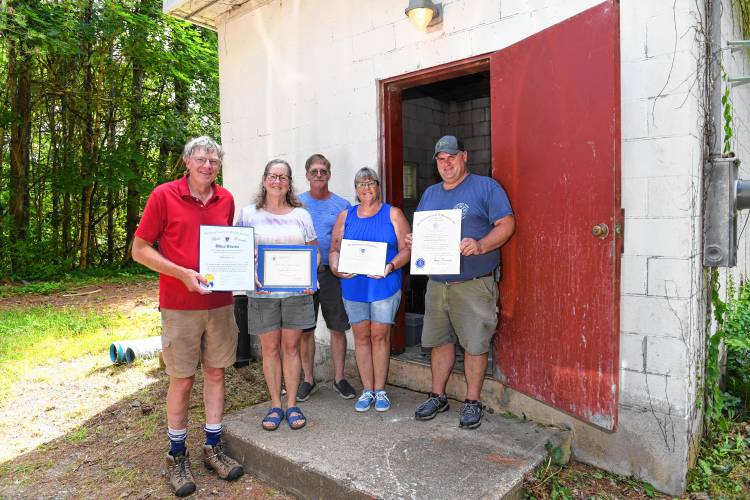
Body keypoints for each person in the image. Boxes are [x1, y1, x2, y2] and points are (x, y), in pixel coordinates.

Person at [132, 136, 244, 497]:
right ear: (186, 162)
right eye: (201, 159)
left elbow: (228, 246)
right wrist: (182, 273)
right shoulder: (163, 195)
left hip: (220, 304)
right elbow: (139, 250)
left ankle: (213, 446)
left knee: (215, 372)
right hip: (180, 306)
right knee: (181, 379)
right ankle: (176, 454)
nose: (207, 165)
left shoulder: (226, 199)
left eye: (214, 160)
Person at [411, 135, 515, 429]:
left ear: (464, 157)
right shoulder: (431, 193)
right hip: (437, 283)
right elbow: (428, 233)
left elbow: (507, 224)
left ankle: (472, 401)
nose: (446, 164)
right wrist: (416, 241)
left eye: (451, 157)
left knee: (474, 343)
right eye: (441, 159)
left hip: (473, 283)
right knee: (439, 341)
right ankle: (437, 395)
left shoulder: (486, 187)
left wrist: (481, 244)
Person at [235, 159, 318, 431]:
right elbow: (239, 253)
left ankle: (292, 404)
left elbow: (313, 253)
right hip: (261, 294)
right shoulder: (248, 214)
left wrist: (309, 276)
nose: (277, 181)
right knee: (270, 349)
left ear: (289, 182)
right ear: (264, 180)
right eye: (273, 176)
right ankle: (274, 404)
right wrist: (250, 273)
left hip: (296, 293)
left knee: (291, 348)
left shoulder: (301, 215)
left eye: (283, 177)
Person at [330, 167, 411, 412]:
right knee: (362, 337)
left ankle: (381, 390)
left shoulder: (393, 214)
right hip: (354, 285)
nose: (366, 187)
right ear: (355, 190)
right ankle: (367, 390)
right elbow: (334, 249)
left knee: (380, 336)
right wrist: (336, 268)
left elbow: (407, 248)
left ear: (378, 186)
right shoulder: (346, 216)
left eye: (371, 182)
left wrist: (390, 265)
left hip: (384, 285)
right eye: (361, 184)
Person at [298, 154, 356, 401]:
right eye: (314, 171)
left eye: (323, 171)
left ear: (329, 174)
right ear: (307, 175)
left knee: (337, 327)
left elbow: (351, 238)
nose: (319, 175)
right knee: (305, 330)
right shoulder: (296, 203)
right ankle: (308, 379)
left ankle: (340, 378)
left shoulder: (342, 205)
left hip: (333, 274)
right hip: (303, 273)